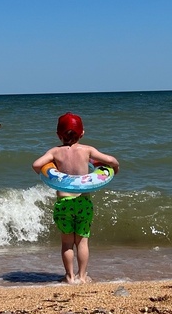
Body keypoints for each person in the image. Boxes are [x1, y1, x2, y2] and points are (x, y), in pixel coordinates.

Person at [31, 113, 120, 285]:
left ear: (58, 135)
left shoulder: (55, 152)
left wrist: (45, 173)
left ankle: (69, 277)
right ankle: (83, 276)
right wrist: (115, 168)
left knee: (67, 243)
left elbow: (36, 165)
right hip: (83, 202)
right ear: (82, 133)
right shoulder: (87, 150)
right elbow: (110, 160)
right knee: (82, 241)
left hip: (64, 203)